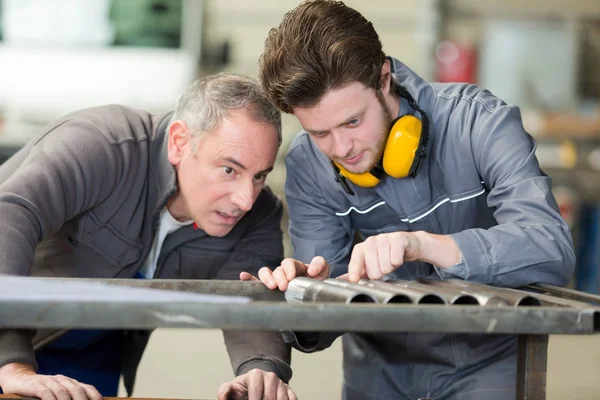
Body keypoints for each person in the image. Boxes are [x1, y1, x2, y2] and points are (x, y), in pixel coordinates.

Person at [244, 1, 576, 399]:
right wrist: (306, 292)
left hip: (488, 366)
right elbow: (323, 317)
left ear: (384, 78)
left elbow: (551, 246)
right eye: (320, 133)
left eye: (353, 121)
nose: (342, 148)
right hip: (378, 376)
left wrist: (425, 245)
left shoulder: (478, 122)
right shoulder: (308, 165)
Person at [0, 73, 296, 400]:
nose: (245, 199)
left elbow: (251, 299)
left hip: (94, 353)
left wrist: (259, 374)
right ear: (179, 142)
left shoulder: (260, 213)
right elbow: (9, 217)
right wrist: (10, 363)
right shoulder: (101, 145)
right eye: (229, 169)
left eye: (259, 175)